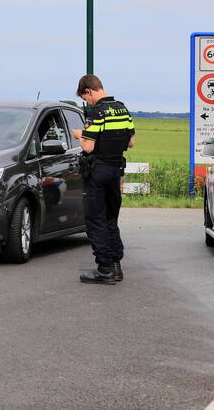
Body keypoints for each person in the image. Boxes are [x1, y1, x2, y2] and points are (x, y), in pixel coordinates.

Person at [69, 74, 135, 285]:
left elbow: (88, 147)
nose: (86, 101)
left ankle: (104, 268)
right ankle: (116, 267)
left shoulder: (96, 112)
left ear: (89, 91)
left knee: (95, 220)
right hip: (116, 171)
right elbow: (131, 142)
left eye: (84, 97)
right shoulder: (122, 109)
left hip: (98, 172)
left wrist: (80, 134)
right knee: (110, 220)